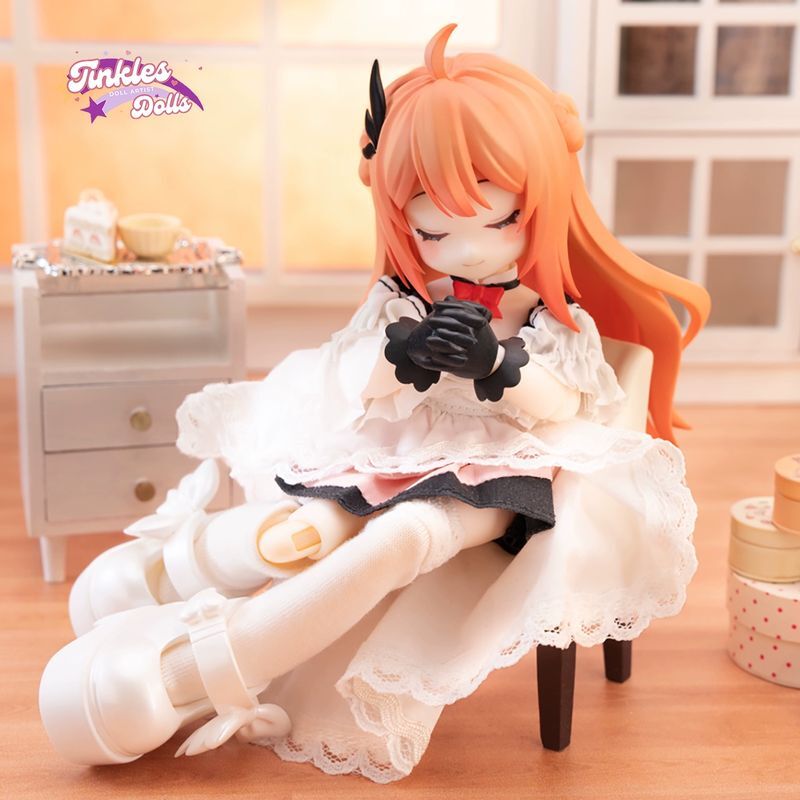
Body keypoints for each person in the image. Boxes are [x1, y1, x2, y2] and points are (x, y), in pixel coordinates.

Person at [39, 23, 710, 783]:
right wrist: (405, 356)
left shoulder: (551, 317)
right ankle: (174, 575)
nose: (467, 250)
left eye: (500, 221)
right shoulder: (404, 299)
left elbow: (561, 404)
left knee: (406, 537)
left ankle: (200, 673)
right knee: (311, 525)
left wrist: (496, 364)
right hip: (400, 447)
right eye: (433, 231)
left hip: (499, 468)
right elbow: (352, 372)